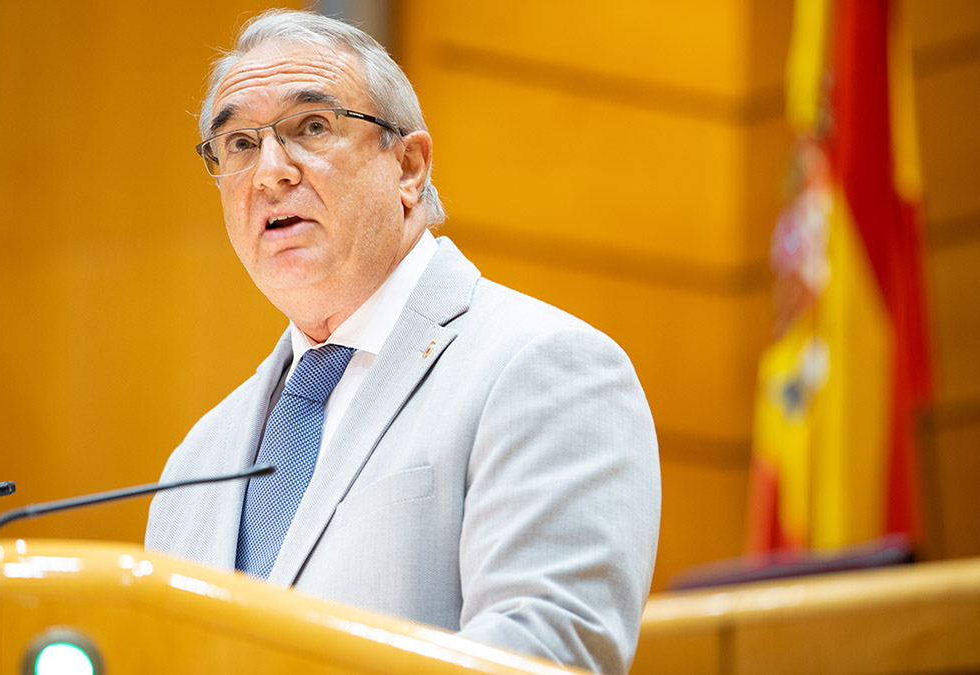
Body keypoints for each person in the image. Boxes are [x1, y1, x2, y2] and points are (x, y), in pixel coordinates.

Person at [145, 9, 660, 674]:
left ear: (410, 167)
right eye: (239, 143)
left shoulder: (546, 368)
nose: (270, 171)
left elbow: (541, 654)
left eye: (312, 126)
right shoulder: (195, 461)